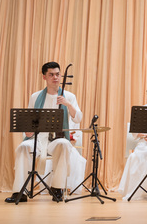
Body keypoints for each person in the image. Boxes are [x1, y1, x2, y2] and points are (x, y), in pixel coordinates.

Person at [5, 62, 86, 203]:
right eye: (51, 75)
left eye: (57, 74)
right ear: (44, 77)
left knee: (64, 144)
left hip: (57, 139)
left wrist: (67, 104)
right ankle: (20, 191)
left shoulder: (69, 96)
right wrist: (28, 131)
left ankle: (57, 188)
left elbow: (78, 118)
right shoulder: (35, 96)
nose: (55, 77)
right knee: (23, 147)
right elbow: (29, 120)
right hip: (38, 139)